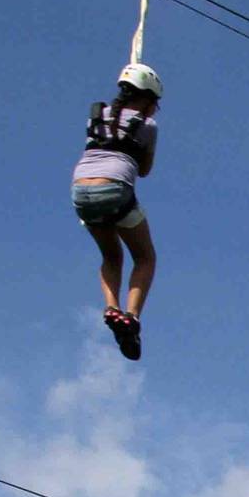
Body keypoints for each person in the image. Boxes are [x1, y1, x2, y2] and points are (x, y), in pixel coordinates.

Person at [72, 63, 161, 361]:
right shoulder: (147, 126)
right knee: (145, 257)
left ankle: (112, 307)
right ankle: (132, 316)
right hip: (115, 190)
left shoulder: (96, 116)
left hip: (81, 191)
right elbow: (145, 171)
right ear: (148, 99)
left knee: (111, 256)